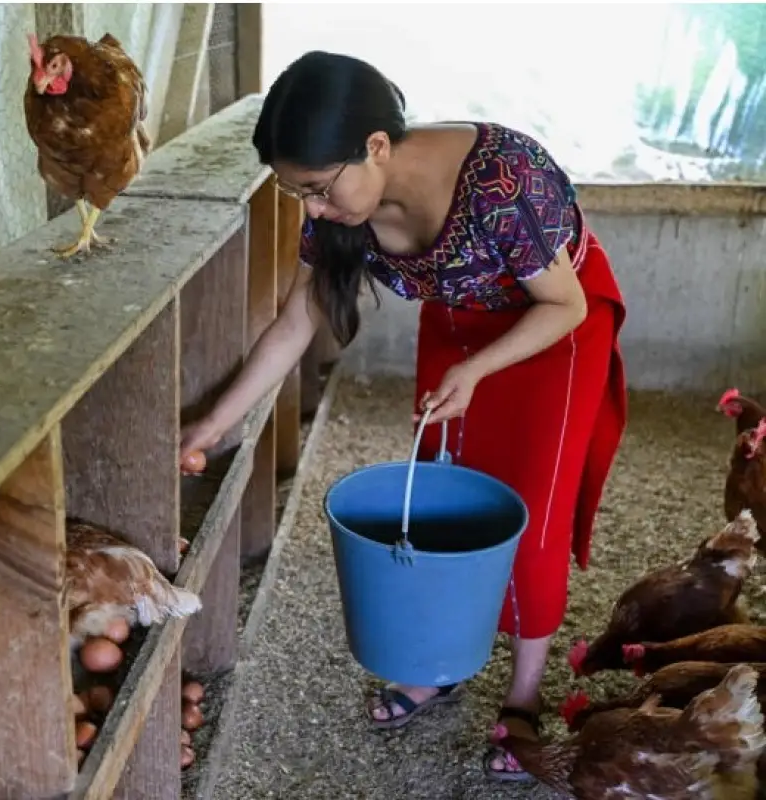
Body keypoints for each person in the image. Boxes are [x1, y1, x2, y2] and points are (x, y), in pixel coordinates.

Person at [178, 50, 628, 782]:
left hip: (553, 331)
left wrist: (478, 370)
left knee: (531, 517)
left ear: (377, 147)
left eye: (319, 191)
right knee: (443, 495)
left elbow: (566, 302)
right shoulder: (341, 207)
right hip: (460, 323)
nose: (314, 212)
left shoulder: (502, 180)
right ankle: (440, 662)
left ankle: (522, 695)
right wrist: (215, 423)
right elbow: (301, 318)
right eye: (299, 196)